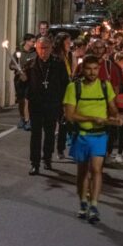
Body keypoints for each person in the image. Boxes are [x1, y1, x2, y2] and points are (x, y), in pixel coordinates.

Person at [63, 55, 122, 224]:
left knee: (96, 169)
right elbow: (70, 115)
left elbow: (112, 108)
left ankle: (94, 205)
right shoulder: (73, 88)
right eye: (89, 69)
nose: (92, 72)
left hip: (100, 135)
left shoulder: (105, 86)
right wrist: (91, 119)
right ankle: (83, 202)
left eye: (95, 69)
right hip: (81, 135)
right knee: (82, 172)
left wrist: (116, 117)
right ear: (83, 70)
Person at [19, 37, 69, 175]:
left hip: (52, 104)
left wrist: (64, 103)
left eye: (46, 48)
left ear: (51, 48)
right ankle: (34, 163)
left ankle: (47, 158)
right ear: (36, 48)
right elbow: (23, 86)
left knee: (50, 134)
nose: (43, 51)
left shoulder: (58, 64)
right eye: (40, 48)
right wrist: (22, 79)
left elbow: (65, 84)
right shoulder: (30, 65)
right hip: (36, 104)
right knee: (35, 134)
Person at [107, 51, 123, 164]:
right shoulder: (113, 73)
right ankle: (108, 153)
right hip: (113, 105)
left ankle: (119, 153)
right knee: (111, 131)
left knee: (121, 130)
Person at [53, 32, 74, 160]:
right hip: (58, 93)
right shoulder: (56, 57)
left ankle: (61, 148)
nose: (69, 45)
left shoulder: (69, 55)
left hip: (67, 92)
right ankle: (55, 149)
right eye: (67, 43)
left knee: (64, 122)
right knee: (59, 121)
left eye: (69, 42)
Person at [10, 33, 36, 131]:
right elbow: (11, 65)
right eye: (32, 41)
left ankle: (27, 120)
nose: (34, 43)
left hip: (30, 79)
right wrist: (17, 67)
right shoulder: (18, 52)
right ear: (27, 41)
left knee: (27, 100)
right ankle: (22, 117)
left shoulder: (35, 52)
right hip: (19, 79)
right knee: (21, 100)